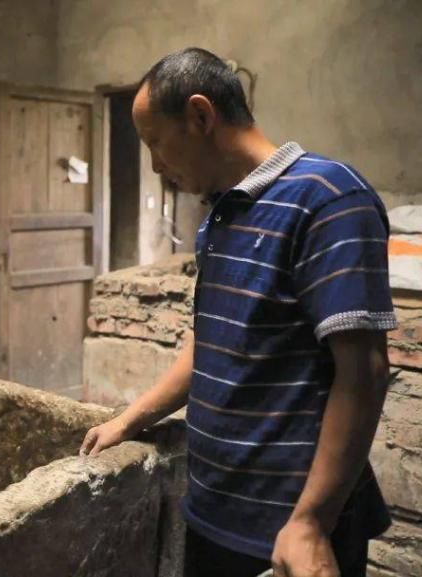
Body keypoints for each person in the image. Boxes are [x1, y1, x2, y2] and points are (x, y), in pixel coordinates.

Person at [79, 47, 396, 577]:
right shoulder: (220, 216)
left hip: (289, 527)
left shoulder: (330, 198)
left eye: (156, 142)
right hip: (213, 508)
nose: (156, 164)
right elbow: (212, 343)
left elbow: (363, 372)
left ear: (201, 116)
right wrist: (131, 418)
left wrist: (312, 521)